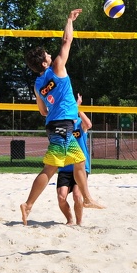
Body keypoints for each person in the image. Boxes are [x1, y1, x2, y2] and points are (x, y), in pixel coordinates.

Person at [20, 9, 104, 225]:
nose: (50, 55)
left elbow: (42, 111)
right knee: (51, 168)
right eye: (47, 54)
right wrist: (69, 19)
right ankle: (28, 204)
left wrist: (62, 106)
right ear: (45, 63)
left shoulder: (38, 84)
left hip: (54, 124)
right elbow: (67, 40)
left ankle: (87, 199)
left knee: (79, 160)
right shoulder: (57, 67)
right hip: (63, 125)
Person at [56, 95, 92, 226]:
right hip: (65, 167)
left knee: (77, 195)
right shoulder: (61, 125)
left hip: (81, 167)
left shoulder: (79, 124)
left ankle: (79, 222)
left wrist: (77, 108)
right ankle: (69, 220)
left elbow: (88, 124)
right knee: (61, 197)